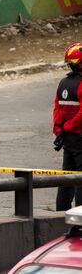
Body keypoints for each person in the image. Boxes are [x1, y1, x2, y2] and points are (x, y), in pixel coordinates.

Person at [53, 43, 82, 211]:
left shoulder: (63, 83)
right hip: (78, 136)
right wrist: (67, 128)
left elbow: (57, 109)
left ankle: (61, 211)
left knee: (67, 175)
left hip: (67, 138)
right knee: (80, 177)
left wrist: (59, 132)